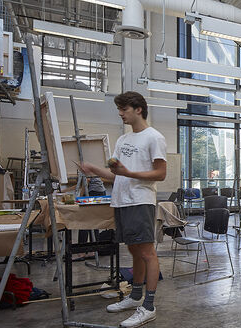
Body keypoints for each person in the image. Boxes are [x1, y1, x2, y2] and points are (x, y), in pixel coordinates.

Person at [79, 92, 167, 328]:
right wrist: (94, 169)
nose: (120, 113)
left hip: (140, 200)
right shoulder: (123, 140)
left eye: (124, 109)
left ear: (138, 109)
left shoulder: (154, 137)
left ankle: (148, 306)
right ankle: (135, 296)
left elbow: (161, 173)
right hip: (121, 201)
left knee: (147, 253)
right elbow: (114, 174)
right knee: (134, 252)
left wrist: (129, 173)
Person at [76, 176, 107, 259]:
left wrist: (80, 197)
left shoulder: (84, 165)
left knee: (84, 223)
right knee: (93, 222)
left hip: (94, 192)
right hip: (100, 192)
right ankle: (93, 251)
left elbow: (87, 181)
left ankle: (81, 252)